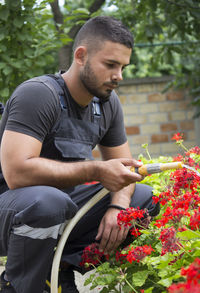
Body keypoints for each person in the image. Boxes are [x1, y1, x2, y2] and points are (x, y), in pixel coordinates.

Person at [0, 16, 159, 293]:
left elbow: (128, 172)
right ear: (81, 56)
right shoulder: (39, 94)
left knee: (141, 199)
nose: (118, 76)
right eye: (110, 65)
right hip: (12, 210)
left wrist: (118, 208)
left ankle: (61, 270)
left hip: (58, 209)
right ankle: (18, 285)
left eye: (123, 67)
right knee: (49, 201)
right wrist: (97, 170)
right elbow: (17, 174)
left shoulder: (107, 105)